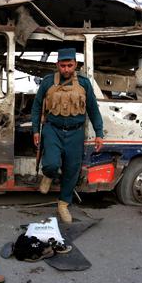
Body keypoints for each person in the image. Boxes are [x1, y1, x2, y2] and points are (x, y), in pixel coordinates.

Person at [31, 48, 104, 223]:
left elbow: (93, 110)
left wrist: (99, 133)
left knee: (72, 170)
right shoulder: (48, 82)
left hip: (76, 133)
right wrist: (35, 131)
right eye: (62, 65)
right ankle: (48, 174)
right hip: (52, 129)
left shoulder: (85, 84)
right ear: (57, 65)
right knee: (51, 163)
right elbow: (36, 107)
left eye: (69, 65)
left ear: (75, 65)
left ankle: (63, 204)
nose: (66, 69)